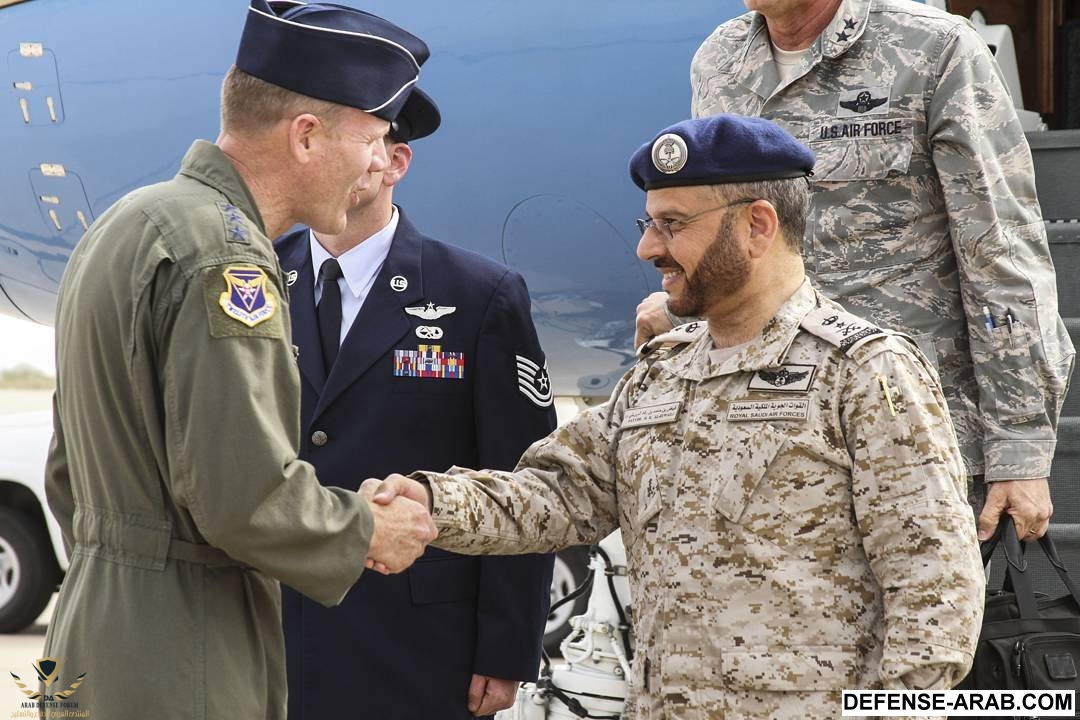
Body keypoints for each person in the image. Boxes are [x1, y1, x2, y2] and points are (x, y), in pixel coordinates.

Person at [371, 114, 986, 719]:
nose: (648, 248)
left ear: (757, 225)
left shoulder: (863, 371)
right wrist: (429, 504)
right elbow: (556, 494)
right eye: (649, 224)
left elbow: (935, 587)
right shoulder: (661, 372)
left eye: (672, 225)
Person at [41, 3, 438, 718]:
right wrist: (368, 529)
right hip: (183, 655)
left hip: (93, 638)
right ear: (307, 137)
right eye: (373, 139)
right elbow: (243, 497)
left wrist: (127, 571)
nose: (381, 163)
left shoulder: (128, 221)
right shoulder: (226, 258)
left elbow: (68, 476)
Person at [635, 0, 1075, 543]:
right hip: (758, 433)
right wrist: (684, 315)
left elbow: (1000, 252)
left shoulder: (933, 49)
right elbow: (725, 234)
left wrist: (1019, 449)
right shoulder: (721, 59)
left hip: (902, 437)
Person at [274, 88, 557, 720]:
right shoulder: (254, 279)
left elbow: (523, 479)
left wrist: (507, 646)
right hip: (275, 631)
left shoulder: (478, 294)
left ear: (395, 162)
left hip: (420, 643)